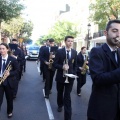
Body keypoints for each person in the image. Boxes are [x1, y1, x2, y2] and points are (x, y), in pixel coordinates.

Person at [87, 19, 120, 120]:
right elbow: (98, 78)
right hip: (102, 111)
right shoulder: (96, 51)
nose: (118, 35)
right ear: (106, 33)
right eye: (115, 31)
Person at [53, 36, 77, 120]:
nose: (70, 43)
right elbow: (55, 64)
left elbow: (75, 65)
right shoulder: (59, 52)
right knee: (60, 92)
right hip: (60, 77)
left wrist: (73, 73)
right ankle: (60, 105)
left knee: (67, 96)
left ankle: (67, 117)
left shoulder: (74, 52)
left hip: (70, 78)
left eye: (72, 41)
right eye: (69, 41)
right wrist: (62, 67)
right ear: (65, 42)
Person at [0, 43, 19, 118]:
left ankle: (9, 111)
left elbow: (17, 70)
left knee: (9, 99)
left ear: (7, 49)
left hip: (9, 82)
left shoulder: (13, 59)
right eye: (0, 49)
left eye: (3, 48)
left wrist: (10, 73)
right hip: (0, 82)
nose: (1, 50)